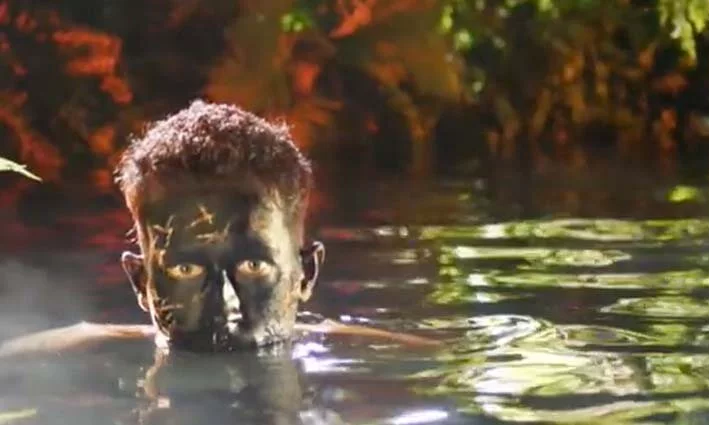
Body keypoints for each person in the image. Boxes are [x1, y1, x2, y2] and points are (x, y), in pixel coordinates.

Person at [0, 100, 439, 357]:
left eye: (253, 266)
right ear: (140, 281)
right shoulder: (47, 357)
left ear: (306, 274)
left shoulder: (392, 355)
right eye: (186, 270)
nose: (224, 302)